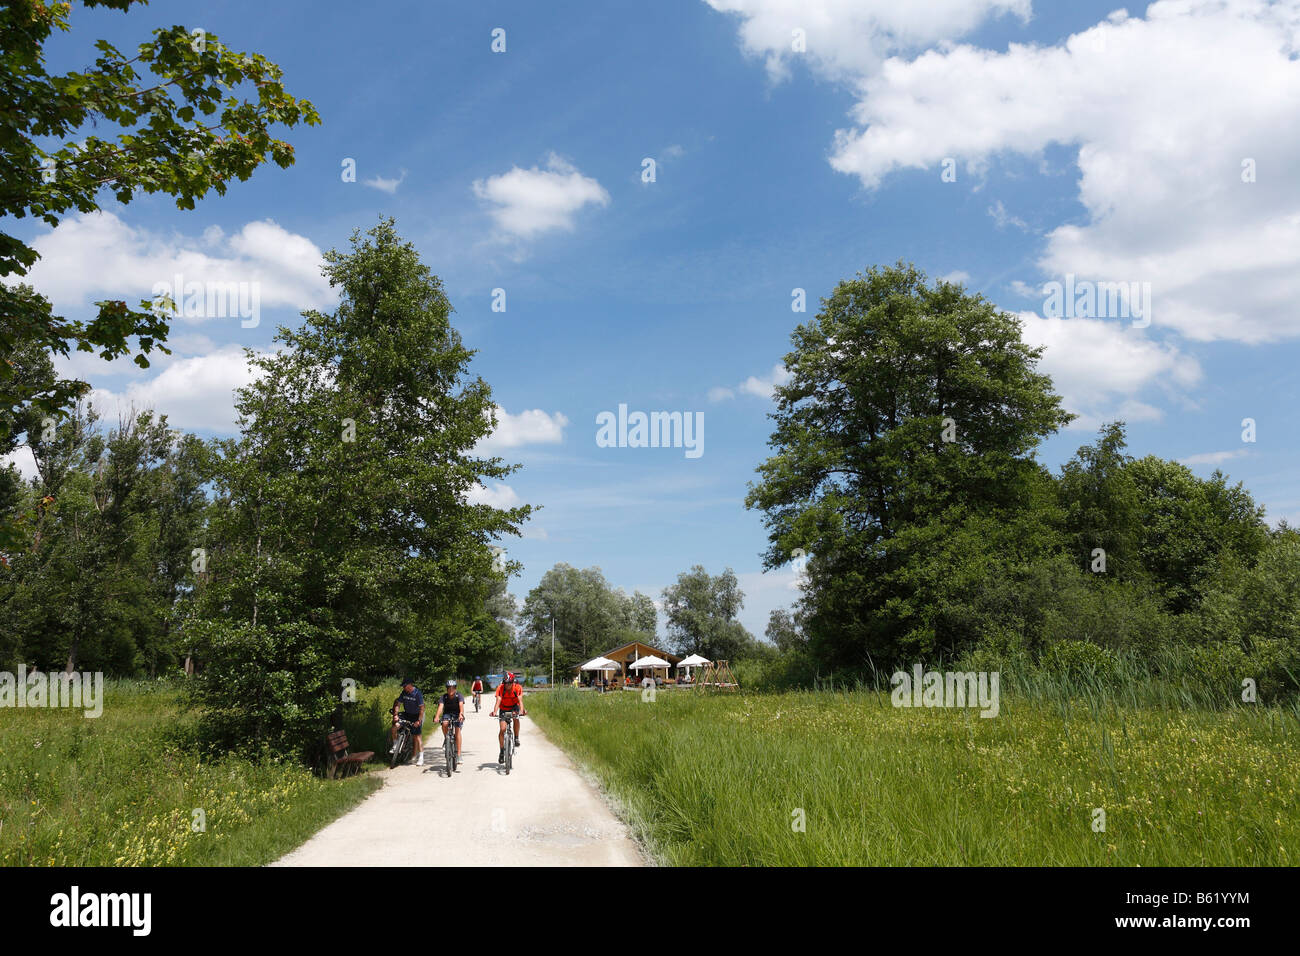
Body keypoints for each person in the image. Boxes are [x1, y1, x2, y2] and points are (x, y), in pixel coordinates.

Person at [490, 671, 527, 765]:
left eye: (510, 683)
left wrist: (522, 711)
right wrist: (494, 712)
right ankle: (502, 751)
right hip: (503, 708)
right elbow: (498, 700)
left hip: (514, 707)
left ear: (513, 682)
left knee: (516, 718)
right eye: (506, 683)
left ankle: (516, 738)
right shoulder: (500, 688)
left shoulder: (517, 688)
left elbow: (520, 701)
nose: (508, 685)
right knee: (502, 729)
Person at [390, 678, 425, 767]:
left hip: (417, 715)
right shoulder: (404, 692)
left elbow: (422, 709)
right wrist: (396, 714)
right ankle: (395, 745)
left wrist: (418, 720)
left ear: (410, 685)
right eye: (403, 686)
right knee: (395, 726)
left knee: (417, 736)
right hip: (407, 714)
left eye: (404, 686)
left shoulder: (417, 693)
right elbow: (398, 703)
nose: (403, 687)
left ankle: (421, 757)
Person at [432, 679, 465, 769]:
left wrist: (461, 714)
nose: (451, 690)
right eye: (449, 688)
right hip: (447, 714)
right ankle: (446, 739)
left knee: (457, 731)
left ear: (455, 688)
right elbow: (440, 707)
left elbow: (461, 706)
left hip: (457, 715)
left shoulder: (459, 696)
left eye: (453, 688)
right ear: (447, 689)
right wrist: (437, 716)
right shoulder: (444, 697)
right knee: (445, 723)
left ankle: (458, 755)